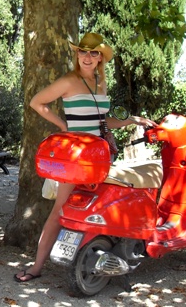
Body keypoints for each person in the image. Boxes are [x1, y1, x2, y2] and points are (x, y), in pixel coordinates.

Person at [14, 32, 156, 283]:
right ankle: (37, 267)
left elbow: (102, 121)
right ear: (77, 54)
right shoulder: (69, 81)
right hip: (77, 157)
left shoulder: (100, 83)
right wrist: (64, 126)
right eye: (83, 51)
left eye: (93, 53)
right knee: (60, 209)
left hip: (99, 155)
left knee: (99, 204)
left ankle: (101, 256)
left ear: (100, 58)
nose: (87, 57)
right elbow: (37, 102)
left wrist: (133, 119)